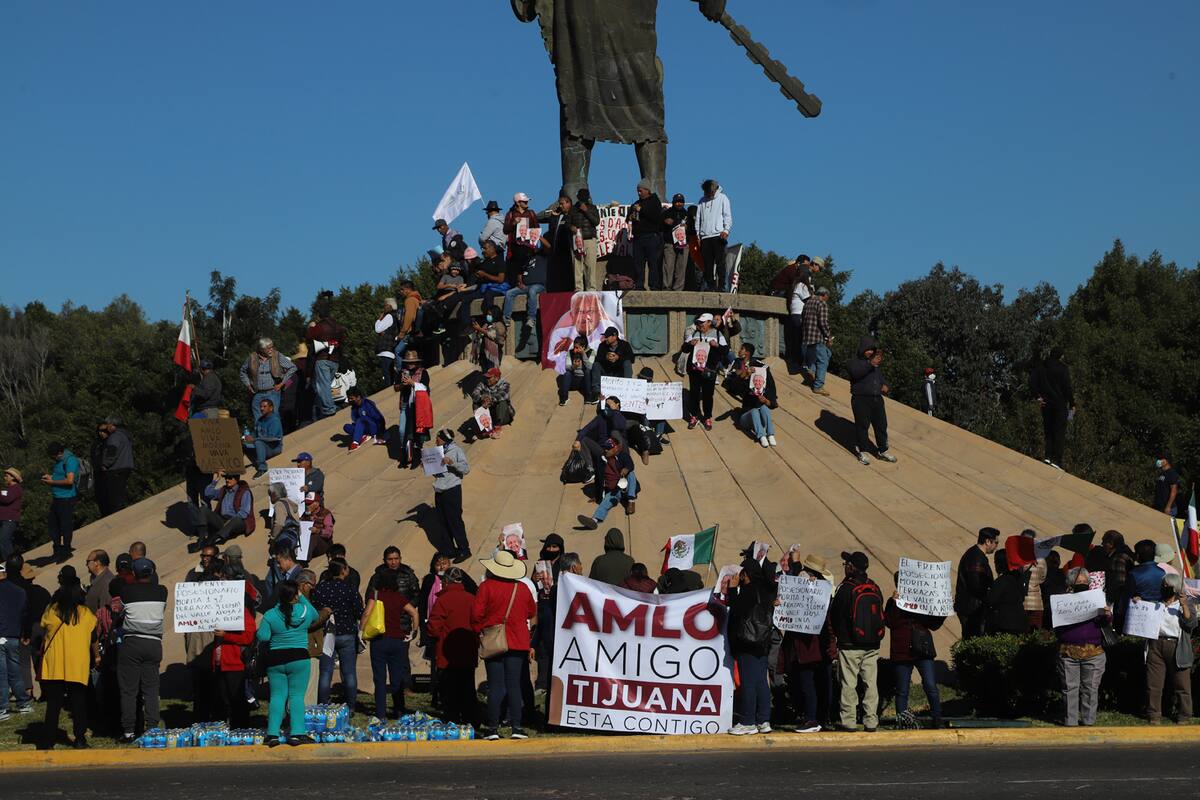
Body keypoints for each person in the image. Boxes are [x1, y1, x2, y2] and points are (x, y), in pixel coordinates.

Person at [472, 550, 537, 740]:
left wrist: (480, 632)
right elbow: (531, 613)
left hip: (493, 641)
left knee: (495, 685)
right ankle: (516, 727)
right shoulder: (523, 589)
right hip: (517, 641)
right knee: (514, 685)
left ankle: (492, 729)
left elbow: (476, 615)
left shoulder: (486, 587)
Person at [37, 567, 97, 749]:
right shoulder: (85, 613)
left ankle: (48, 741)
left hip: (55, 664)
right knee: (78, 703)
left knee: (53, 704)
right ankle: (80, 739)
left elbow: (43, 626)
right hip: (76, 664)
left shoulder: (52, 610)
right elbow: (93, 636)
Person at [256, 580, 318, 746]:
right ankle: (297, 733)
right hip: (299, 657)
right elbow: (316, 615)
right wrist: (302, 597)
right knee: (297, 696)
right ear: (295, 594)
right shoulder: (305, 611)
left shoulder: (270, 614)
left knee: (277, 696)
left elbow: (263, 637)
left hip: (275, 658)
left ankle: (272, 734)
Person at [112, 557, 167, 743]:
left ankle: (128, 731)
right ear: (152, 573)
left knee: (129, 690)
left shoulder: (126, 591)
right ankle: (152, 729)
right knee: (151, 689)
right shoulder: (162, 592)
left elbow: (119, 613)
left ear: (134, 574)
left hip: (132, 643)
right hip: (153, 644)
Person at [780, 555, 836, 733]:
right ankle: (819, 718)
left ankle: (813, 719)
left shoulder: (821, 593)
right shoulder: (819, 591)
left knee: (809, 684)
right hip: (813, 648)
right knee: (816, 684)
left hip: (811, 648)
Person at [831, 551, 884, 732]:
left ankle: (849, 720)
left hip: (849, 645)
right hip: (872, 645)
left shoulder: (846, 589)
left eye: (846, 564)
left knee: (849, 683)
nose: (845, 566)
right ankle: (871, 720)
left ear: (852, 567)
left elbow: (835, 615)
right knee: (871, 683)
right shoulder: (874, 587)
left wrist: (839, 637)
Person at [885, 575, 946, 729]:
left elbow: (933, 624)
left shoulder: (922, 600)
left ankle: (937, 718)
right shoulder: (893, 602)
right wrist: (893, 602)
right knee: (902, 689)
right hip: (902, 650)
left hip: (922, 649)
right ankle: (902, 721)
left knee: (931, 685)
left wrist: (943, 606)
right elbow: (889, 622)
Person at [361, 567, 420, 720]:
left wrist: (362, 631)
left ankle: (381, 714)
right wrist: (413, 632)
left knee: (379, 679)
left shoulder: (376, 596)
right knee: (397, 678)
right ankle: (399, 710)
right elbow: (414, 613)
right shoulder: (399, 597)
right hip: (398, 641)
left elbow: (367, 613)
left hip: (379, 641)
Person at [1053, 567, 1109, 727]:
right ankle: (1070, 722)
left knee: (1090, 689)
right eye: (1079, 582)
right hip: (1068, 652)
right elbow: (1057, 627)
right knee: (1069, 688)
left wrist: (1106, 614)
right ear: (1071, 584)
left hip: (1093, 651)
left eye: (1085, 582)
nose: (1082, 584)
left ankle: (1088, 721)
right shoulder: (1063, 602)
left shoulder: (1096, 599)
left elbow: (1105, 623)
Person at [727, 559, 776, 735]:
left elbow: (735, 612)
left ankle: (748, 721)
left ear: (745, 574)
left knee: (748, 683)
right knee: (761, 682)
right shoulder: (766, 590)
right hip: (762, 643)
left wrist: (732, 589)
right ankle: (764, 720)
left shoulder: (748, 591)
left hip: (747, 643)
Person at [426, 566, 479, 724]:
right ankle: (471, 720)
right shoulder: (471, 598)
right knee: (468, 689)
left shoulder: (443, 600)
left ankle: (453, 720)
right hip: (468, 651)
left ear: (446, 581)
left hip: (447, 654)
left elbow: (434, 628)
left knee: (449, 691)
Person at [211, 560, 257, 729]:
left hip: (234, 663)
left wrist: (226, 636)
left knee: (237, 701)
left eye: (224, 578)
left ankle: (241, 730)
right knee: (223, 701)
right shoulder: (219, 608)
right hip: (219, 662)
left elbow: (248, 636)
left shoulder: (241, 610)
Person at [310, 558, 363, 705]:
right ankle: (351, 705)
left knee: (325, 672)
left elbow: (315, 611)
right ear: (343, 570)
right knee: (349, 672)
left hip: (327, 634)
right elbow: (359, 611)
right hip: (347, 633)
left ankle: (322, 704)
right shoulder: (350, 588)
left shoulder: (321, 588)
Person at [1146, 573, 1195, 725]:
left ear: (1175, 588)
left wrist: (1184, 605)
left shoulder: (1185, 605)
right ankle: (1154, 714)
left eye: (1167, 586)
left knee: (1182, 684)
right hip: (1156, 645)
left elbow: (1191, 624)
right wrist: (1139, 604)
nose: (1164, 588)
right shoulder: (1156, 604)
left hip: (1176, 646)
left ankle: (1184, 715)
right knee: (1154, 684)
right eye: (1163, 585)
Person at [847, 338, 897, 465]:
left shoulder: (875, 364)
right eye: (868, 349)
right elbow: (856, 373)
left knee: (881, 425)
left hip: (877, 399)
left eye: (872, 350)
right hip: (861, 399)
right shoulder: (855, 362)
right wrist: (870, 363)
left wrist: (884, 385)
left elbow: (879, 378)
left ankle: (883, 451)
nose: (870, 352)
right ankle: (863, 451)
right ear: (862, 350)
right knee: (862, 426)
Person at [576, 437, 638, 529]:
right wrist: (597, 496)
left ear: (616, 448)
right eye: (605, 448)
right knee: (605, 503)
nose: (606, 450)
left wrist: (626, 469)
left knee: (631, 474)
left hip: (626, 488)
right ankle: (594, 520)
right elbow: (599, 478)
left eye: (609, 448)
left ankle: (631, 501)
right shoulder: (601, 459)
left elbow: (630, 464)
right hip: (614, 491)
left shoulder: (623, 456)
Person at [431, 429, 472, 563]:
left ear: (444, 439)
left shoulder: (456, 450)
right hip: (439, 490)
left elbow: (466, 469)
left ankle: (464, 550)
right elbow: (437, 473)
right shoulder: (437, 452)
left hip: (452, 490)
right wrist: (427, 466)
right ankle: (450, 550)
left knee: (455, 521)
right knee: (443, 522)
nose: (436, 440)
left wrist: (452, 463)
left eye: (438, 438)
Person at [1030, 347, 1074, 470]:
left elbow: (1032, 381)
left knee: (1048, 430)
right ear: (1060, 356)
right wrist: (1072, 403)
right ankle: (1056, 460)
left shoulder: (1041, 367)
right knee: (1059, 432)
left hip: (1046, 404)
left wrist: (1037, 397)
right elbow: (1067, 388)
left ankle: (1048, 456)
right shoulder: (1062, 369)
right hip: (1060, 405)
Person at [574, 397, 628, 496]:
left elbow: (620, 426)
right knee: (584, 440)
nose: (607, 407)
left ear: (617, 405)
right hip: (602, 449)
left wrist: (613, 413)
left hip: (616, 450)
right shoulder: (601, 417)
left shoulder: (620, 417)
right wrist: (577, 440)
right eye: (606, 405)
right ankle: (590, 469)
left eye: (610, 404)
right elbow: (586, 428)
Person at [682, 313, 727, 430]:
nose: (700, 324)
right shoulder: (695, 333)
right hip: (694, 370)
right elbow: (684, 348)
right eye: (699, 322)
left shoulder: (718, 334)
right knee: (694, 393)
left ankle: (707, 417)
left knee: (708, 395)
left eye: (702, 322)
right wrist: (690, 344)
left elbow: (726, 350)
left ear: (709, 322)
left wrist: (716, 345)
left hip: (709, 370)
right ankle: (694, 416)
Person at [0, 561, 32, 721]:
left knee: (1, 674)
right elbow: (25, 614)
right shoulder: (19, 591)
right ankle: (23, 703)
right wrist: (25, 633)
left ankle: (2, 708)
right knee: (15, 671)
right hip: (14, 635)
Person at [239, 338, 297, 423]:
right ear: (262, 349)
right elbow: (242, 372)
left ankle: (274, 435)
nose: (271, 349)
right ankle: (261, 435)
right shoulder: (252, 358)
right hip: (257, 393)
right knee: (258, 418)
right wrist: (248, 384)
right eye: (268, 348)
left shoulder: (277, 356)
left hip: (273, 393)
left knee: (273, 417)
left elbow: (292, 369)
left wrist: (281, 384)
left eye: (272, 347)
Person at [306, 305, 348, 420]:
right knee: (326, 385)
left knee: (323, 386)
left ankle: (329, 409)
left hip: (323, 359)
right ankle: (326, 407)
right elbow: (343, 340)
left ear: (319, 315)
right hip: (335, 360)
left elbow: (309, 337)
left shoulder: (320, 327)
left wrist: (311, 327)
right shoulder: (338, 326)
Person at [394, 350, 434, 467]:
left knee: (418, 430)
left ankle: (416, 453)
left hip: (419, 406)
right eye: (408, 362)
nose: (410, 364)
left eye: (412, 362)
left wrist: (412, 383)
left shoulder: (423, 372)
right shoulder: (401, 372)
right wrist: (403, 385)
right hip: (405, 404)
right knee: (402, 430)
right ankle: (406, 452)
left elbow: (425, 388)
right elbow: (396, 388)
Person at [42, 442, 80, 562]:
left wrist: (52, 482)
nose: (52, 458)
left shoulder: (70, 460)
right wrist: (51, 477)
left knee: (65, 525)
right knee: (53, 525)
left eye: (53, 456)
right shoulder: (60, 461)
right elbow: (60, 476)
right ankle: (57, 550)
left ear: (59, 453)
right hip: (57, 497)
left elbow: (69, 481)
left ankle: (66, 550)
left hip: (67, 498)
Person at [502, 236, 548, 330]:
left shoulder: (542, 255)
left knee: (532, 290)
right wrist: (520, 281)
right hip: (526, 286)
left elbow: (548, 246)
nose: (530, 247)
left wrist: (538, 236)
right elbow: (520, 272)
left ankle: (531, 318)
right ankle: (506, 318)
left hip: (539, 286)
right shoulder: (526, 259)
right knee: (509, 293)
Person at [695, 179, 733, 291]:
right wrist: (698, 234)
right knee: (707, 265)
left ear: (714, 189)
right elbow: (698, 218)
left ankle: (722, 286)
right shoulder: (702, 201)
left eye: (708, 191)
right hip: (705, 236)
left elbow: (727, 216)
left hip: (718, 235)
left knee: (720, 263)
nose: (707, 194)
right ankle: (710, 286)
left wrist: (726, 230)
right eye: (705, 191)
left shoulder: (723, 198)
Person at [736, 348, 778, 448]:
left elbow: (773, 404)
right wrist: (745, 374)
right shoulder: (748, 386)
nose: (758, 383)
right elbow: (735, 387)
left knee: (764, 408)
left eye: (760, 381)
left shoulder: (766, 390)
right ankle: (761, 436)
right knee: (755, 410)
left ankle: (770, 434)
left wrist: (766, 401)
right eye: (756, 381)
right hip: (746, 419)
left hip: (760, 420)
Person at [627, 179, 664, 289]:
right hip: (638, 238)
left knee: (653, 263)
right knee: (638, 263)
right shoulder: (636, 203)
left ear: (647, 190)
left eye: (641, 191)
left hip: (651, 236)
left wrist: (642, 210)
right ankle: (639, 285)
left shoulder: (655, 201)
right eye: (638, 191)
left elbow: (655, 217)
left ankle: (654, 286)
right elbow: (627, 218)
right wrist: (630, 217)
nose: (639, 193)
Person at [201, 472, 255, 547]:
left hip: (238, 522)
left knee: (236, 520)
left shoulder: (244, 491)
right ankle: (202, 535)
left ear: (236, 479)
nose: (227, 480)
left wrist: (230, 522)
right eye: (226, 478)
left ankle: (217, 537)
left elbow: (244, 512)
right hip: (223, 520)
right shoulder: (223, 490)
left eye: (230, 478)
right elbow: (207, 493)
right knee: (203, 509)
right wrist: (216, 479)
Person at [94, 417, 134, 516]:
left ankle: (116, 520)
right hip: (125, 468)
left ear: (112, 425)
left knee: (113, 499)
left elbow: (112, 452)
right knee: (119, 497)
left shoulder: (115, 436)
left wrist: (104, 464)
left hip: (116, 470)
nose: (106, 429)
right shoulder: (124, 435)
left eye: (107, 426)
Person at [985, 549, 1030, 635]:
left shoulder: (1001, 581)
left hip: (1006, 625)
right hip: (1020, 623)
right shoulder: (1018, 579)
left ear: (999, 564)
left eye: (995, 562)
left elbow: (991, 600)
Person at [800, 286, 832, 395]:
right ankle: (818, 386)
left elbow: (802, 318)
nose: (827, 298)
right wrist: (828, 337)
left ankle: (811, 370)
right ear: (824, 295)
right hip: (817, 337)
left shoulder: (808, 303)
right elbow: (823, 322)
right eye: (827, 296)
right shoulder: (821, 304)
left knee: (826, 354)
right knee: (823, 361)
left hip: (807, 337)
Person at [242, 397, 284, 478]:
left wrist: (255, 439)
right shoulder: (260, 420)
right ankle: (255, 463)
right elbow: (255, 434)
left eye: (264, 406)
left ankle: (262, 468)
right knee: (244, 445)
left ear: (271, 408)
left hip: (274, 448)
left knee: (258, 442)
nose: (261, 409)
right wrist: (246, 438)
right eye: (261, 407)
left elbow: (273, 438)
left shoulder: (274, 420)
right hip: (261, 447)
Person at [568, 188, 601, 290]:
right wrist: (571, 227)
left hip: (589, 239)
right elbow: (567, 222)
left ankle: (591, 288)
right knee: (577, 266)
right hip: (576, 239)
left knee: (590, 266)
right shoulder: (573, 209)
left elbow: (596, 222)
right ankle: (578, 288)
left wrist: (586, 211)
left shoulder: (592, 208)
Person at [472, 368, 515, 439]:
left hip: (503, 415)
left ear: (497, 378)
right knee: (475, 402)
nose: (487, 379)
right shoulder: (483, 384)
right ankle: (485, 429)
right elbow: (474, 393)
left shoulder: (504, 385)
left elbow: (502, 395)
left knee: (502, 402)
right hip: (490, 413)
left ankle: (497, 428)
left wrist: (489, 399)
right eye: (486, 377)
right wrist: (481, 398)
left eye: (489, 378)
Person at [504, 192, 541, 273]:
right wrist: (513, 223)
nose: (527, 202)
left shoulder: (531, 213)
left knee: (529, 270)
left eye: (527, 201)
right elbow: (505, 230)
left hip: (530, 248)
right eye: (524, 201)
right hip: (515, 249)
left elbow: (537, 228)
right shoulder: (510, 214)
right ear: (518, 203)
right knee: (517, 271)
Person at [660, 193, 690, 291]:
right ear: (673, 203)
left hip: (683, 244)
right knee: (668, 266)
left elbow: (693, 229)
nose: (679, 204)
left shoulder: (687, 214)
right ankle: (666, 287)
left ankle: (678, 289)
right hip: (669, 243)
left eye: (681, 202)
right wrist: (664, 221)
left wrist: (688, 227)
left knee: (681, 267)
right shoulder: (667, 212)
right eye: (677, 202)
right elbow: (659, 225)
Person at [343, 386, 387, 451]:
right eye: (349, 398)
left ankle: (355, 443)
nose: (350, 400)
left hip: (374, 428)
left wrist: (381, 432)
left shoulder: (368, 404)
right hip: (364, 428)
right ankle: (362, 436)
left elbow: (379, 418)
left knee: (361, 420)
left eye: (352, 398)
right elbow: (356, 421)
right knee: (346, 427)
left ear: (358, 397)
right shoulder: (354, 408)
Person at [557, 336, 595, 406]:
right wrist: (573, 366)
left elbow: (590, 367)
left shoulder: (591, 352)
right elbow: (567, 367)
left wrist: (583, 354)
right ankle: (563, 398)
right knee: (567, 374)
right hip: (575, 378)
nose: (575, 349)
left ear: (583, 347)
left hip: (585, 381)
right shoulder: (570, 352)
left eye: (577, 348)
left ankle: (588, 397)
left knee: (587, 372)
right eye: (574, 347)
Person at [470, 303, 507, 374]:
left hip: (493, 355)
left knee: (492, 372)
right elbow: (480, 335)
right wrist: (478, 330)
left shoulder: (499, 325)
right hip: (483, 352)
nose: (488, 316)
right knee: (485, 372)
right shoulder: (486, 324)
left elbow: (494, 336)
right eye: (487, 314)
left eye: (490, 314)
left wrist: (480, 329)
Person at [301, 493, 335, 561]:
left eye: (309, 504)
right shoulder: (305, 514)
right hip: (308, 543)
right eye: (306, 504)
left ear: (316, 504)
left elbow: (329, 533)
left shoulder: (326, 514)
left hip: (324, 544)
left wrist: (317, 531)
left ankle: (305, 559)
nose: (307, 506)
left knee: (314, 536)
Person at [0, 467, 23, 562]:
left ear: (13, 477)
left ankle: (12, 563)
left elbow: (7, 499)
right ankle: (7, 563)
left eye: (7, 476)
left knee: (4, 540)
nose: (5, 478)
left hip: (10, 519)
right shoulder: (9, 489)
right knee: (3, 541)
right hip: (5, 519)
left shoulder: (16, 488)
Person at [83, 550, 114, 614]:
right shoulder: (97, 578)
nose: (86, 565)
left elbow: (105, 613)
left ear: (97, 563)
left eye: (88, 562)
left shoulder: (107, 583)